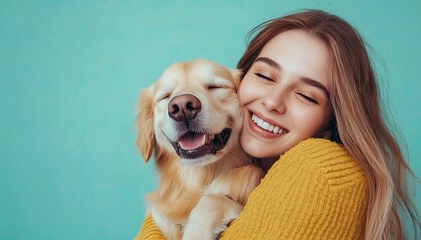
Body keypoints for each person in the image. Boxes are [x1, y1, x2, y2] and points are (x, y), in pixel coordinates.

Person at [135, 9, 420, 240]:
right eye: (265, 76)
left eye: (306, 95)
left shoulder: (322, 168)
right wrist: (165, 212)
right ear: (242, 84)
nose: (273, 101)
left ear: (332, 122)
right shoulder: (239, 173)